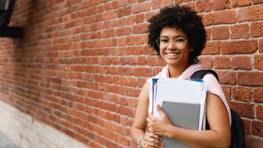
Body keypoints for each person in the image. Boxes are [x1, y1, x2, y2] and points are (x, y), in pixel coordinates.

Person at [131, 5, 231, 148]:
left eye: (179, 40)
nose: (170, 46)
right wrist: (142, 141)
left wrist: (170, 131)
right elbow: (136, 128)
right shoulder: (151, 85)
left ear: (191, 44)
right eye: (164, 40)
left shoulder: (206, 82)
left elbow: (222, 140)